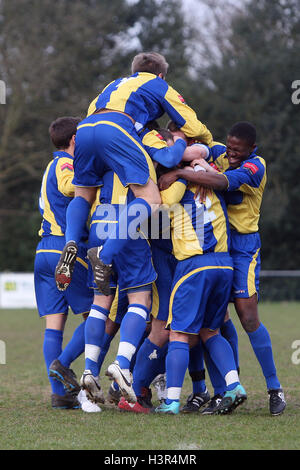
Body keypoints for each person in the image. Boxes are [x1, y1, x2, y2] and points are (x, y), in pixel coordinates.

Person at [55, 51, 213, 297]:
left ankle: (70, 243)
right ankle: (104, 256)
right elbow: (190, 123)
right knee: (150, 199)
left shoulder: (113, 85)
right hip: (117, 128)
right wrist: (206, 142)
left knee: (82, 195)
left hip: (85, 128)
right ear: (160, 74)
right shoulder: (158, 84)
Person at [158, 121, 286, 416]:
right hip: (218, 247)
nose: (232, 154)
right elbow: (202, 146)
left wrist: (179, 172)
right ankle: (222, 389)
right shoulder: (222, 153)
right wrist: (186, 145)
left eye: (238, 151)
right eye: (229, 148)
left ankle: (274, 387)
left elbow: (224, 183)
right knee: (213, 322)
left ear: (252, 149)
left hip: (242, 247)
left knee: (246, 315)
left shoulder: (256, 166)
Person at [153, 163, 246, 415]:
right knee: (211, 331)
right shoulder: (214, 185)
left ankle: (171, 401)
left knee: (179, 335)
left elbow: (156, 207)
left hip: (195, 265)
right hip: (225, 265)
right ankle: (234, 386)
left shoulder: (174, 188)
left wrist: (171, 179)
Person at [34, 117, 94, 409]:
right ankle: (63, 364)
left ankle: (59, 394)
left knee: (54, 326)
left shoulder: (49, 166)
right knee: (98, 315)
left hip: (43, 250)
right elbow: (74, 188)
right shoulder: (65, 165)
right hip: (64, 248)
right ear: (74, 140)